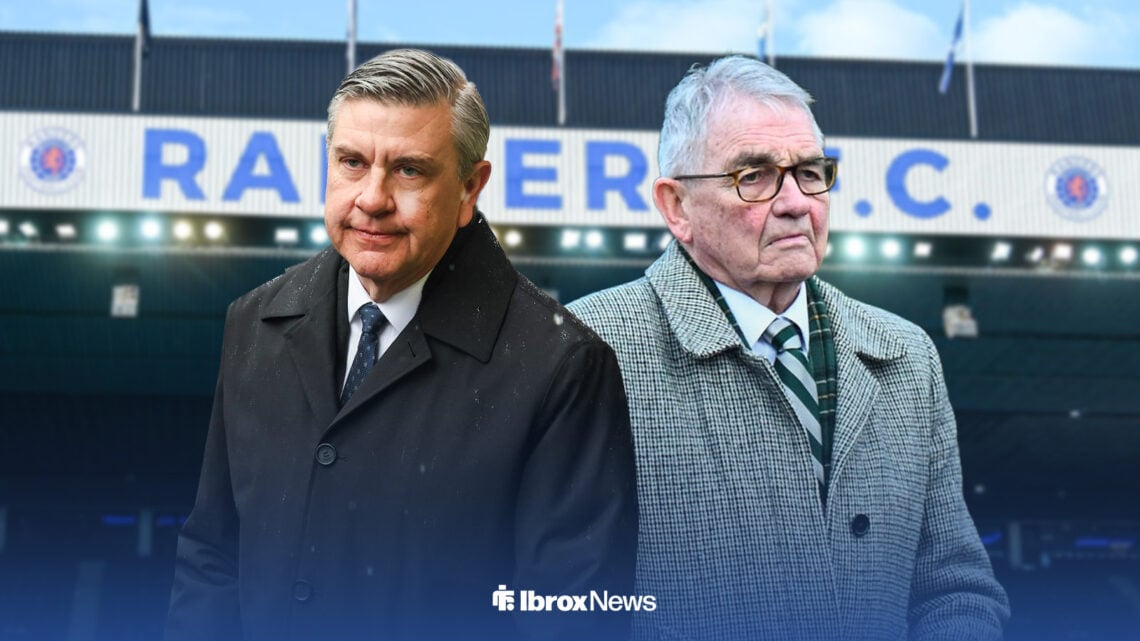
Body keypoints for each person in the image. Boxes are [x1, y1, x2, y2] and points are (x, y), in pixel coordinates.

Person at [165, 48, 637, 641]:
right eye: (352, 162)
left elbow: (574, 615)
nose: (372, 198)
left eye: (409, 170)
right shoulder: (253, 323)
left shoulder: (562, 364)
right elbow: (212, 556)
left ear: (470, 187)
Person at [568, 55, 1009, 640]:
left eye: (810, 171)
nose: (797, 201)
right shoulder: (585, 352)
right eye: (753, 176)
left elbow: (955, 587)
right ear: (676, 206)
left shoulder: (907, 357)